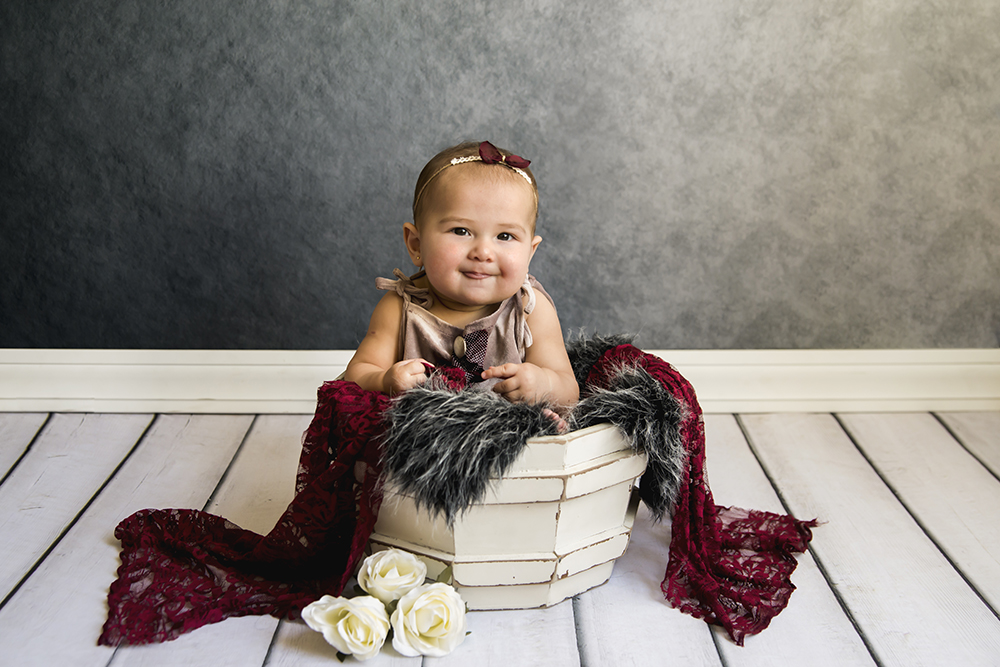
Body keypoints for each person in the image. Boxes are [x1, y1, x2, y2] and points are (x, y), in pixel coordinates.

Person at [345, 141, 579, 414]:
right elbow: (357, 374)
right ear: (416, 244)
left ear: (530, 252)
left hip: (509, 443)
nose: (483, 252)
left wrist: (543, 383)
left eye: (505, 236)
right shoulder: (400, 308)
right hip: (423, 446)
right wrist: (385, 380)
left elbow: (568, 390)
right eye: (461, 231)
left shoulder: (529, 310)